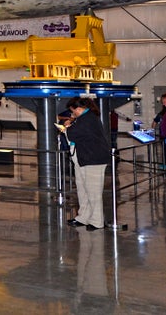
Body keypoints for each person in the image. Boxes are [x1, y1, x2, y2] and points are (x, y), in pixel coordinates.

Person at [65, 96, 110, 231]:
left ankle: (97, 221)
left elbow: (73, 135)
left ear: (79, 109)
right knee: (83, 189)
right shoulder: (84, 119)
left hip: (93, 160)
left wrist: (67, 127)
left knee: (93, 192)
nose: (73, 114)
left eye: (73, 111)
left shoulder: (88, 119)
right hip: (84, 158)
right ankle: (83, 217)